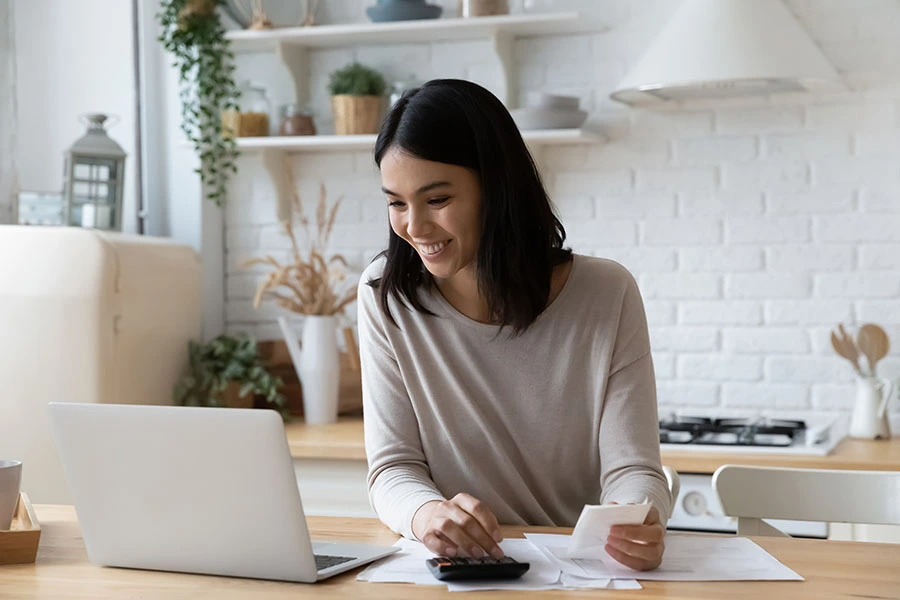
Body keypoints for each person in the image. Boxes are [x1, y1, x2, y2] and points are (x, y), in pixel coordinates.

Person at [357, 79, 672, 571]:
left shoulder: (607, 294)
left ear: (496, 189)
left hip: (579, 575)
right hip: (453, 575)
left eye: (436, 199)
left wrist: (636, 516)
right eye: (396, 203)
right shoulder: (385, 294)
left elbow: (634, 469)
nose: (413, 226)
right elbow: (393, 467)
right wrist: (426, 514)